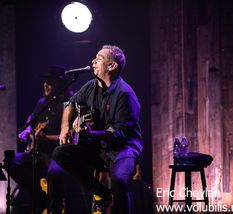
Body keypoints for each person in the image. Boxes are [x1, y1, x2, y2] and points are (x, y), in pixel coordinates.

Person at [52, 45, 143, 214]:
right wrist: (65, 126)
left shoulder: (124, 94)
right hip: (100, 146)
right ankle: (100, 192)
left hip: (123, 149)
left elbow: (120, 133)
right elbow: (70, 103)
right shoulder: (91, 86)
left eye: (99, 58)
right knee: (60, 153)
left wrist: (91, 133)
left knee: (119, 181)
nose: (93, 61)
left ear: (112, 66)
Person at [10, 66, 87, 213]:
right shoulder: (42, 103)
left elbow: (70, 136)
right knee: (11, 161)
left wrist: (45, 137)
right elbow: (31, 119)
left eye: (49, 82)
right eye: (44, 82)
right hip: (39, 153)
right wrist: (27, 131)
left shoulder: (69, 105)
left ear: (59, 84)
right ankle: (41, 198)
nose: (45, 85)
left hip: (58, 153)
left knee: (54, 172)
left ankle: (54, 207)